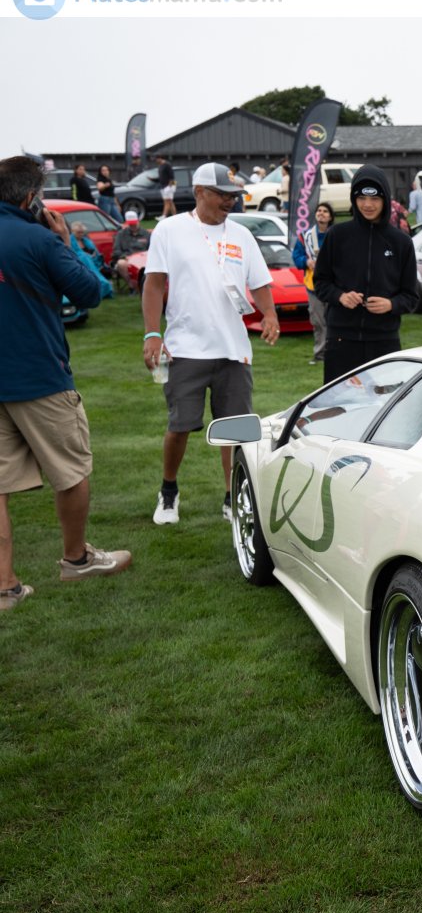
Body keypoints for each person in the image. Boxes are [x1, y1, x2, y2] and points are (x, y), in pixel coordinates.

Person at [0, 155, 131, 609]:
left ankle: (5, 586)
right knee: (72, 470)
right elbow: (92, 292)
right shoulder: (40, 239)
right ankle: (75, 560)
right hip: (39, 374)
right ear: (31, 197)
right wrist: (65, 243)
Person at [142, 163, 280, 525]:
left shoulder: (241, 234)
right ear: (199, 191)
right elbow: (154, 283)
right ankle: (168, 491)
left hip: (234, 351)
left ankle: (231, 497)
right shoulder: (169, 230)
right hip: (184, 348)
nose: (229, 202)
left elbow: (260, 282)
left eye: (233, 196)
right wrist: (152, 333)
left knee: (234, 430)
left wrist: (269, 315)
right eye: (223, 195)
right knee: (179, 425)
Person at [313, 166, 420, 383]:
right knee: (338, 405)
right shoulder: (337, 235)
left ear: (385, 200)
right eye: (361, 198)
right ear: (354, 199)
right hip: (342, 339)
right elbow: (320, 282)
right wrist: (340, 296)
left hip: (384, 341)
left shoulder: (401, 243)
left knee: (383, 405)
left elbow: (411, 297)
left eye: (375, 199)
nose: (368, 205)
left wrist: (391, 305)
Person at [294, 201, 334, 365]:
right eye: (319, 210)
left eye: (325, 211)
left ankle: (333, 352)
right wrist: (306, 261)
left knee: (333, 320)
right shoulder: (305, 237)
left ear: (331, 216)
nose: (321, 213)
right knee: (318, 321)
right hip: (314, 286)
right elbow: (296, 257)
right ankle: (319, 354)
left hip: (334, 285)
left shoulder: (336, 235)